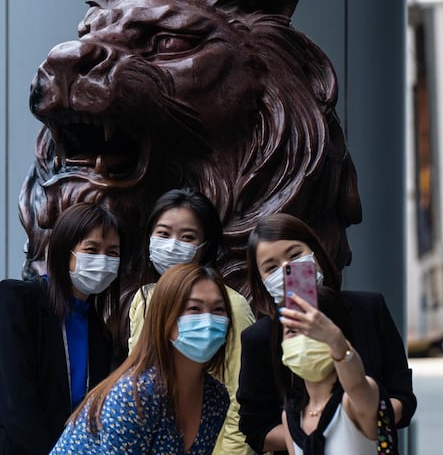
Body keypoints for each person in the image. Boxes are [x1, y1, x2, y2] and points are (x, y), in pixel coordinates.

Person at [237, 213, 416, 454]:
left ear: (317, 254)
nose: (287, 270)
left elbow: (397, 395)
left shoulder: (368, 309)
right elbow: (256, 426)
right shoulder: (259, 339)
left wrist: (364, 424)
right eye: (271, 267)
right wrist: (310, 439)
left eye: (294, 255)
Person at [0, 202, 123, 455]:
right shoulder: (20, 300)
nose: (102, 260)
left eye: (112, 253)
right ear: (65, 251)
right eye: (91, 249)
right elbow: (17, 401)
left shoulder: (100, 329)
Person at [49, 264, 232, 454]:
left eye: (218, 310)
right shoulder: (135, 394)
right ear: (165, 318)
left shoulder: (216, 398)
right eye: (194, 308)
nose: (208, 320)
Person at [126, 188, 256, 455]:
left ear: (203, 247)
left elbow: (241, 398)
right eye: (163, 233)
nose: (173, 244)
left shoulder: (230, 306)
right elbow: (137, 380)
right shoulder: (143, 300)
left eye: (187, 237)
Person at [279, 287, 387, 455]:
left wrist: (335, 341)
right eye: (292, 331)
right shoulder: (291, 416)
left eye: (314, 328)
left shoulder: (353, 400)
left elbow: (356, 384)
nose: (304, 338)